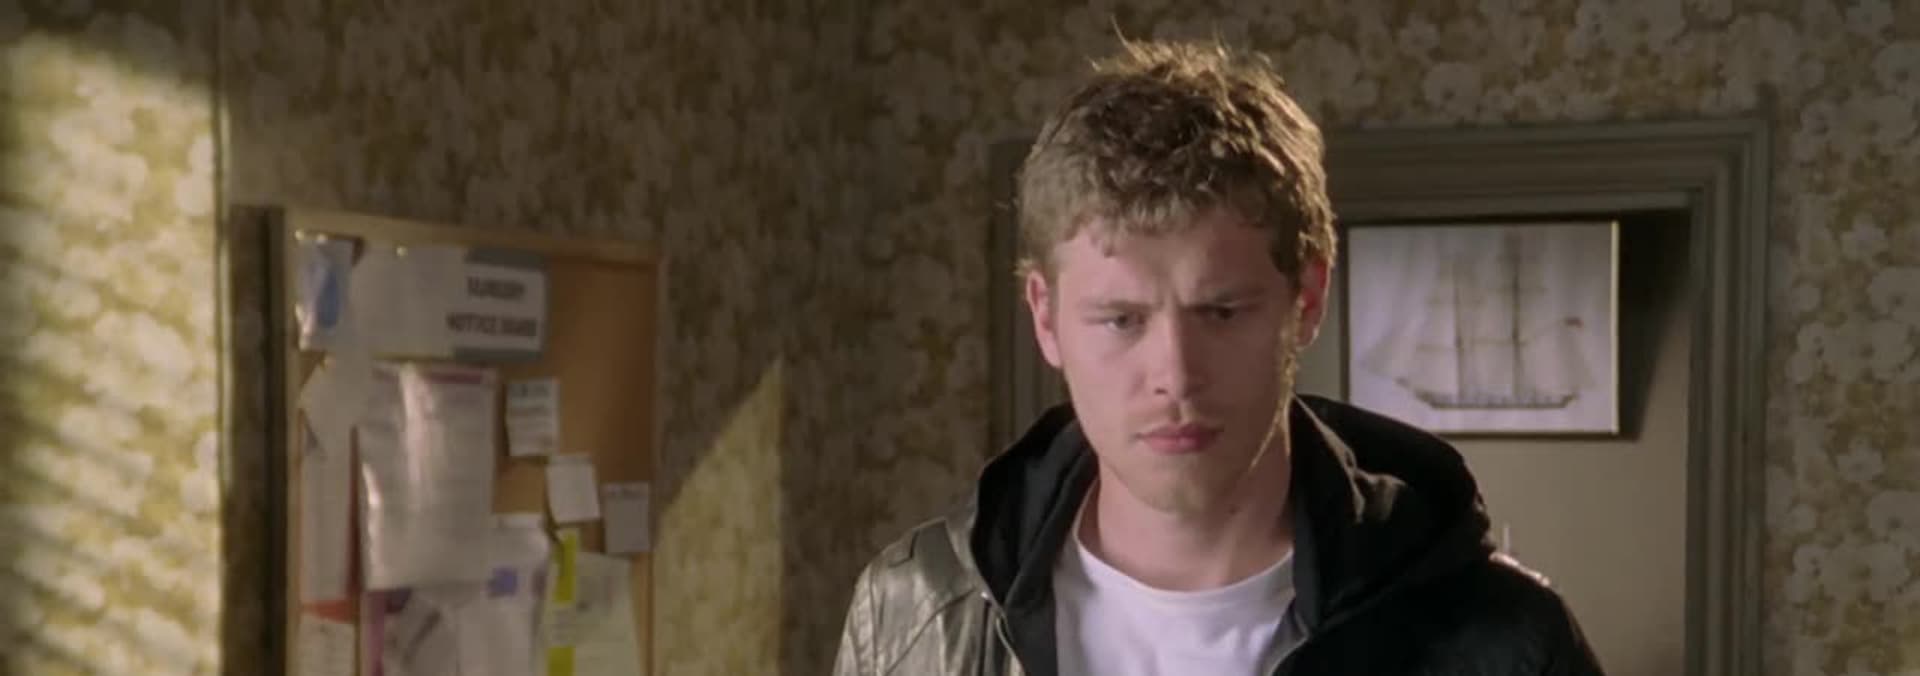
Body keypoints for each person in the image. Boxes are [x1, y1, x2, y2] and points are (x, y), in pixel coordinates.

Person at [832, 38, 1605, 676]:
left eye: (1222, 312)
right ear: (1046, 317)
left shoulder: (1505, 644)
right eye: (1121, 320)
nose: (1175, 374)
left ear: (1306, 300)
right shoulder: (913, 610)